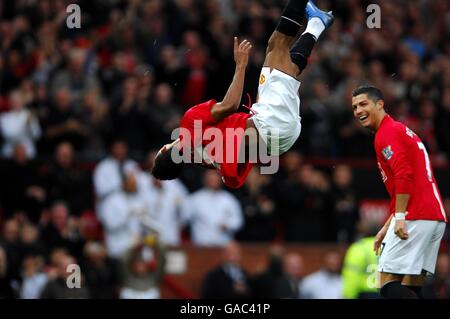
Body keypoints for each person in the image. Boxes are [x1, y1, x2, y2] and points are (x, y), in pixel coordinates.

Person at [152, 1, 334, 188]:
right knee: (277, 45)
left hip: (280, 140)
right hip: (269, 123)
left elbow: (235, 178)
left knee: (284, 66)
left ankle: (316, 23)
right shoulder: (190, 126)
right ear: (164, 149)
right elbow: (230, 105)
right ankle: (313, 18)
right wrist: (240, 66)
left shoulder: (203, 161)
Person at [351, 85, 448, 299]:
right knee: (411, 285)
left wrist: (401, 217)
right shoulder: (400, 130)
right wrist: (388, 225)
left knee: (385, 283)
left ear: (380, 104)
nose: (358, 111)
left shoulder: (387, 133)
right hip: (433, 217)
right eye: (355, 107)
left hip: (415, 216)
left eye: (363, 104)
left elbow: (404, 175)